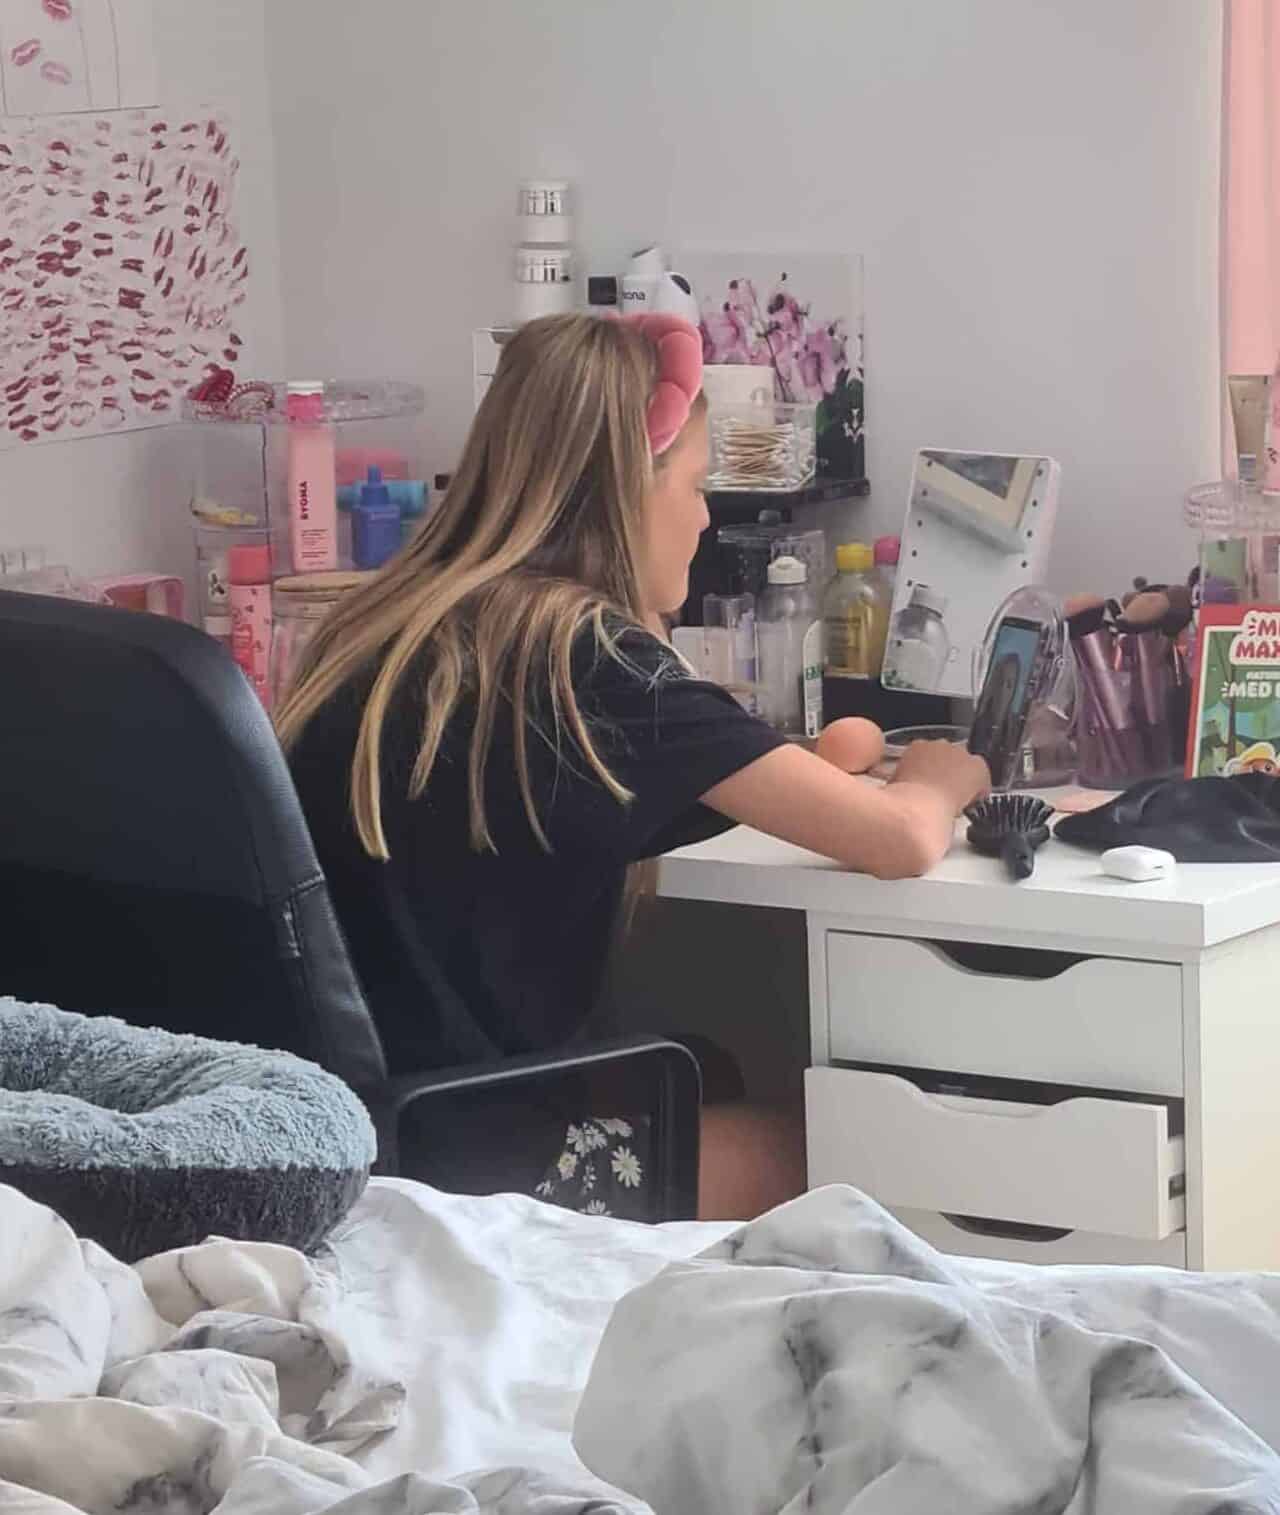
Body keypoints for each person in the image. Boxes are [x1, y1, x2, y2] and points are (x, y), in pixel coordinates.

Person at [279, 313, 988, 1220]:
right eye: (695, 486)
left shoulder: (380, 623)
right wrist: (941, 777)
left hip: (342, 1128)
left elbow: (697, 763)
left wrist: (813, 763)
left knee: (707, 1063)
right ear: (626, 490)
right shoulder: (583, 656)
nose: (704, 516)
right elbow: (899, 839)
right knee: (830, 1150)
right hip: (465, 1166)